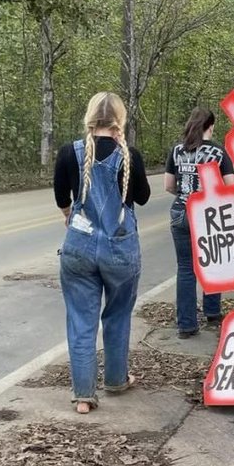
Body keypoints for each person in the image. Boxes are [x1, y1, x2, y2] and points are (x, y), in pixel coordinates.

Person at [53, 92, 151, 414]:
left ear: (90, 118)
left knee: (81, 320)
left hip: (79, 248)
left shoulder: (71, 152)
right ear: (119, 120)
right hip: (120, 249)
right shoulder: (129, 155)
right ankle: (116, 380)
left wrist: (70, 214)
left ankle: (83, 396)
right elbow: (143, 197)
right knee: (118, 314)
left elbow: (60, 195)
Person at [165, 107, 234, 338]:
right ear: (210, 126)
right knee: (212, 260)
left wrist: (186, 192)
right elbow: (231, 186)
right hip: (208, 214)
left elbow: (168, 185)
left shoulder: (176, 150)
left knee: (185, 269)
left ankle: (186, 326)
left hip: (180, 212)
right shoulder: (217, 152)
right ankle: (213, 313)